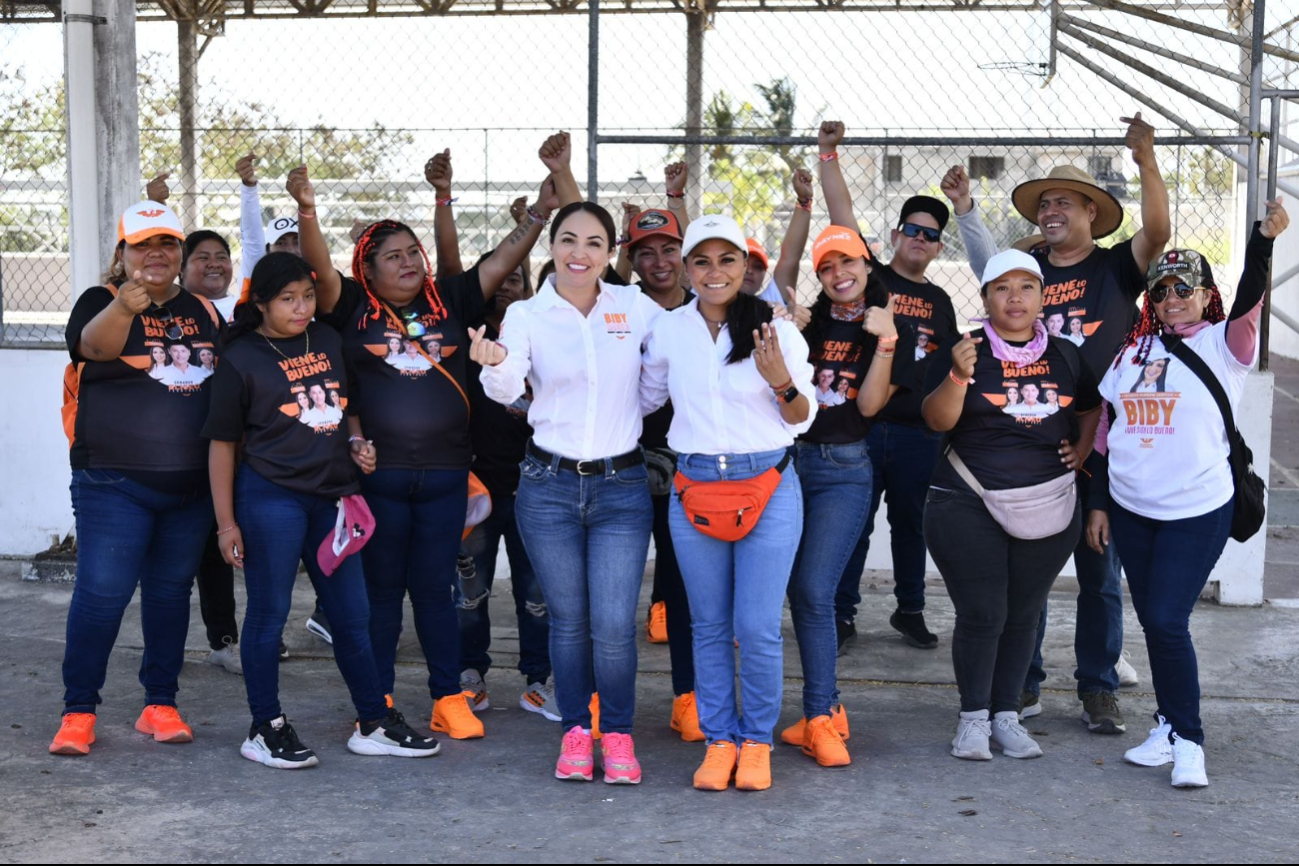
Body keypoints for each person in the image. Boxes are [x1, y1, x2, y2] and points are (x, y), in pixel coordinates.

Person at [290, 140, 553, 743]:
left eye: (414, 252)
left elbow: (503, 258)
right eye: (393, 256)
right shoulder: (350, 306)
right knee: (381, 593)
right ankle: (377, 699)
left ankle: (446, 697)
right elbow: (320, 271)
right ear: (369, 268)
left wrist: (537, 214)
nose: (409, 262)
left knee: (436, 591)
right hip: (377, 478)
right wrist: (308, 209)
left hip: (445, 477)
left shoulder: (451, 301)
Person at [944, 112, 1171, 732]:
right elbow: (988, 265)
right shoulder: (1030, 268)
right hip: (1034, 438)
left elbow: (1159, 229)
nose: (1051, 211)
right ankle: (1023, 684)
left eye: (1063, 202)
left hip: (1099, 440)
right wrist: (966, 209)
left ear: (1091, 213)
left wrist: (1146, 158)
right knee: (1030, 573)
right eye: (1044, 203)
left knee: (1099, 568)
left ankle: (1098, 685)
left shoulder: (1116, 266)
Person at [203, 252, 439, 768]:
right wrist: (226, 524)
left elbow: (345, 408)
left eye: (307, 296)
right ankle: (265, 727)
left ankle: (374, 720)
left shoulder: (328, 340)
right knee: (269, 615)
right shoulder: (241, 356)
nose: (302, 307)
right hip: (271, 498)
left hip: (332, 497)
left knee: (353, 616)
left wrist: (359, 443)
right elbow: (222, 444)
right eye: (288, 299)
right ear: (260, 303)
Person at [1088, 201, 1288, 787]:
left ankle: (1190, 741)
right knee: (1154, 621)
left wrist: (1262, 241)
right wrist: (1098, 502)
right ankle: (1168, 725)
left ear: (1205, 296)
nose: (1172, 297)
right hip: (1130, 509)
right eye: (1162, 289)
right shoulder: (1131, 353)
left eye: (1185, 287)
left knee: (1167, 620)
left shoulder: (1226, 345)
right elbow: (1106, 432)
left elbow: (1251, 296)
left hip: (1195, 510)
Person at [472, 201, 661, 784]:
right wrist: (496, 361)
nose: (580, 253)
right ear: (551, 246)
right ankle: (577, 731)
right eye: (569, 240)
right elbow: (505, 384)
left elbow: (659, 377)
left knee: (612, 623)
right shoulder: (529, 314)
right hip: (547, 487)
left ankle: (620, 735)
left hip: (621, 487)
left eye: (595, 243)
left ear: (610, 253)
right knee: (569, 621)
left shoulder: (634, 306)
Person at [642, 213, 817, 792]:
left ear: (745, 266)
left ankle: (757, 741)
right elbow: (642, 395)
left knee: (758, 625)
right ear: (687, 270)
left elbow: (802, 416)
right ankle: (721, 740)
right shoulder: (670, 329)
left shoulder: (776, 332)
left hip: (766, 485)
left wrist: (779, 380)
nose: (714, 272)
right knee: (707, 626)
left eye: (727, 260)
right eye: (701, 261)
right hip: (694, 488)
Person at [50, 201, 222, 757]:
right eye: (142, 244)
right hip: (113, 483)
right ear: (121, 252)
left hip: (190, 489)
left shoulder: (203, 310)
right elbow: (92, 348)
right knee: (103, 596)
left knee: (170, 596)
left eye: (167, 244)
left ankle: (160, 704)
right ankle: (79, 711)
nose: (156, 254)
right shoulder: (100, 301)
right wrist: (126, 305)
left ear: (180, 253)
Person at [920, 250, 1100, 762]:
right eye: (1002, 287)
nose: (1015, 297)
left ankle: (1006, 716)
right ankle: (973, 719)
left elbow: (1090, 408)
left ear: (1043, 298)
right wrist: (957, 376)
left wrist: (1082, 448)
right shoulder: (966, 350)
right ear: (984, 298)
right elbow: (936, 421)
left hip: (1047, 503)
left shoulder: (1066, 355)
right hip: (966, 500)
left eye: (1026, 287)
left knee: (1023, 613)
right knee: (983, 613)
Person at [820, 122, 959, 652]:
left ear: (937, 245)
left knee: (911, 527)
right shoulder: (873, 278)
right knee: (853, 526)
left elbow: (949, 368)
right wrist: (829, 156)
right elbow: (842, 218)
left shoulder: (943, 300)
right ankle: (841, 613)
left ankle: (910, 611)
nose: (920, 239)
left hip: (916, 434)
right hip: (864, 425)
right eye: (912, 230)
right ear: (897, 235)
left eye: (930, 234)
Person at [778, 225, 911, 769]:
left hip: (844, 469)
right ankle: (827, 711)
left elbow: (873, 406)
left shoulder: (889, 324)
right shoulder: (806, 324)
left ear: (866, 264)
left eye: (847, 263)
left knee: (815, 590)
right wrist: (790, 333)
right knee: (799, 594)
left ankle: (819, 715)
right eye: (827, 267)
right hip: (788, 465)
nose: (839, 275)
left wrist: (886, 342)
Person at [618, 173, 703, 743]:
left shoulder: (708, 309)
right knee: (614, 593)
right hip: (621, 466)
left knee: (684, 591)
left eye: (668, 249)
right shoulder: (617, 310)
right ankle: (605, 701)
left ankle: (688, 699)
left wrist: (676, 201)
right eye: (644, 253)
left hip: (688, 471)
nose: (658, 261)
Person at [458, 246, 558, 722]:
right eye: (497, 280)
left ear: (527, 289)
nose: (505, 287)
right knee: (469, 592)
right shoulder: (466, 338)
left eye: (516, 279)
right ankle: (470, 674)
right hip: (478, 491)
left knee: (537, 595)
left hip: (532, 490)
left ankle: (539, 680)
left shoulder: (540, 337)